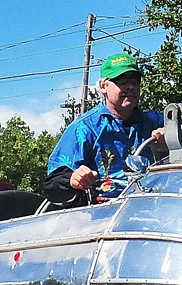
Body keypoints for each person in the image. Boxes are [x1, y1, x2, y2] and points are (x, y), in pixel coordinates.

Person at [44, 53, 166, 206]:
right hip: (101, 217)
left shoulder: (156, 123)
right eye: (121, 81)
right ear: (103, 86)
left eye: (135, 81)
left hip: (153, 210)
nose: (130, 86)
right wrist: (73, 179)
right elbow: (52, 184)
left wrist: (170, 145)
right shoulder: (84, 128)